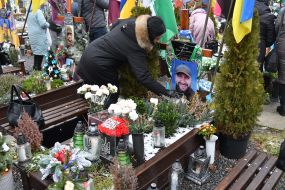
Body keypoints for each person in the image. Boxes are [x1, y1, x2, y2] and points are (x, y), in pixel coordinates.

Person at [76, 15, 173, 105]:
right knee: (112, 94)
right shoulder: (136, 46)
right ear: (150, 35)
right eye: (157, 38)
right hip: (99, 64)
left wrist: (116, 43)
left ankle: (84, 119)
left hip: (90, 51)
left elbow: (115, 24)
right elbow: (143, 77)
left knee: (87, 94)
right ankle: (102, 120)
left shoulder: (132, 22)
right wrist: (166, 92)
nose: (158, 41)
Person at [255, 0, 276, 70]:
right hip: (260, 45)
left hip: (243, 42)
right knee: (256, 69)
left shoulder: (246, 9)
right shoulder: (269, 16)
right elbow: (270, 39)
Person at [276, 7, 285, 116]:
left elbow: (277, 26)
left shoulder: (283, 10)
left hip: (283, 46)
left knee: (283, 76)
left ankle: (283, 107)